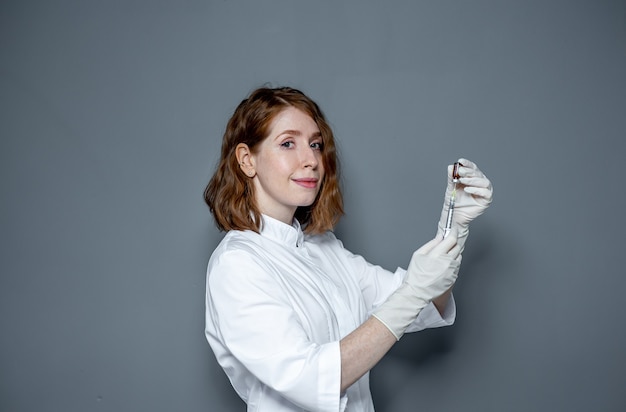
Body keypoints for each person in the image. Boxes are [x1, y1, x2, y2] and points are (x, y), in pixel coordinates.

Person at [203, 86, 493, 412]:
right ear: (247, 160)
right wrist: (411, 294)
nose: (311, 159)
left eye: (315, 144)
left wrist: (454, 226)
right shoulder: (238, 264)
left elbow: (421, 302)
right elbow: (309, 377)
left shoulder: (323, 248)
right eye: (288, 143)